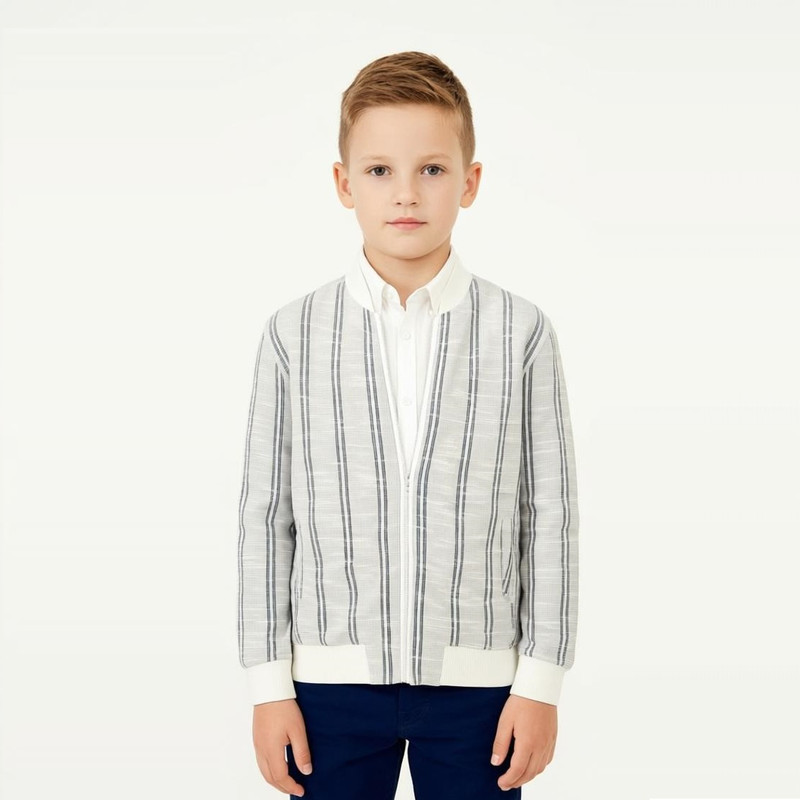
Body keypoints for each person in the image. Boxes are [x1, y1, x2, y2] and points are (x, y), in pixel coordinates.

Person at [237, 50, 580, 799]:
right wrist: (267, 685)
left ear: (470, 181)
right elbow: (266, 517)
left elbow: (550, 515)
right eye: (379, 170)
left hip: (482, 691)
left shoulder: (520, 332)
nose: (406, 193)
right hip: (325, 688)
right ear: (344, 183)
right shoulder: (293, 334)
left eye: (431, 169)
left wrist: (541, 682)